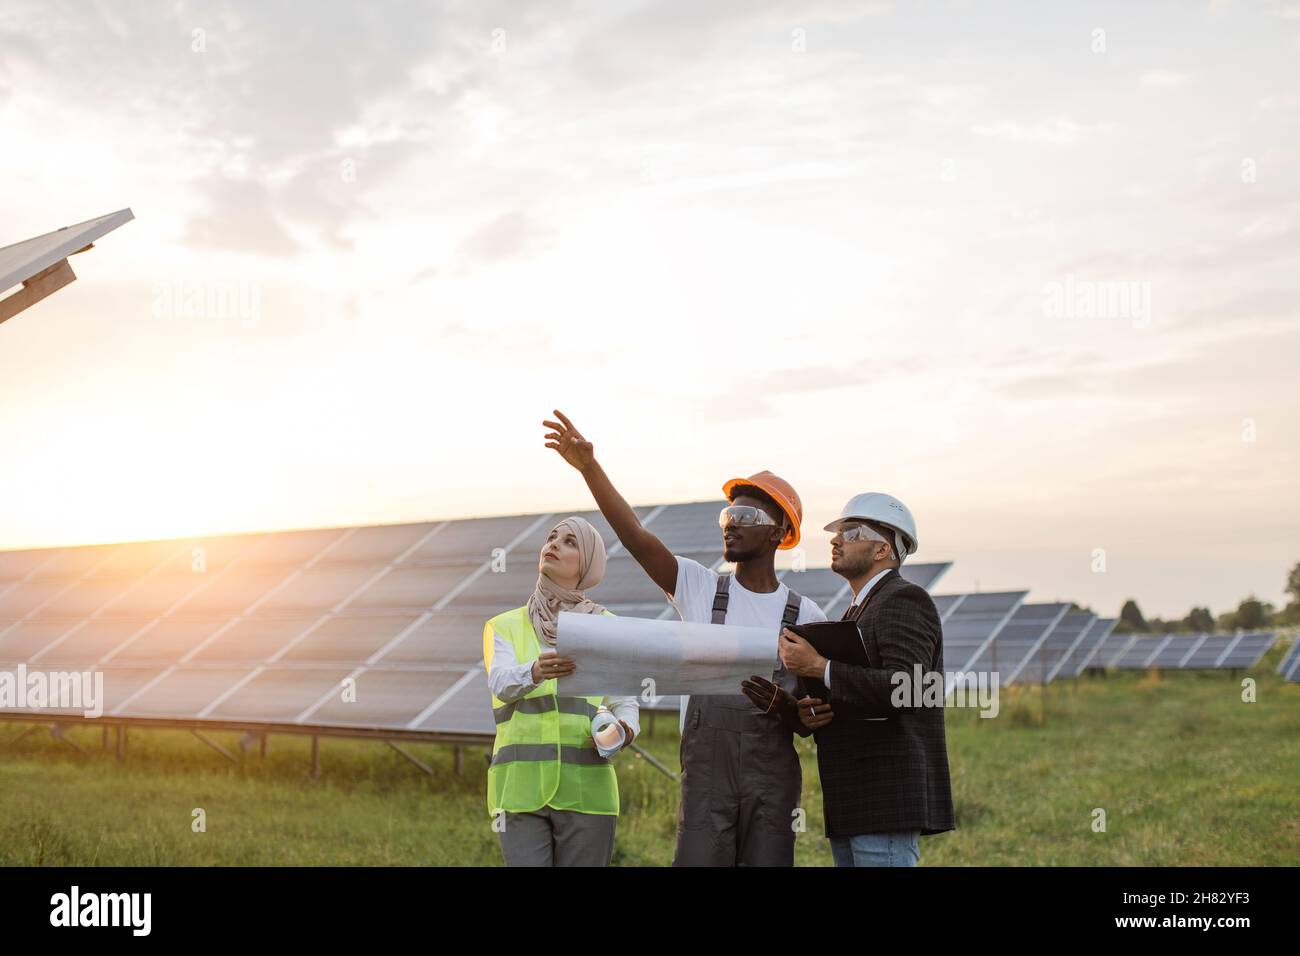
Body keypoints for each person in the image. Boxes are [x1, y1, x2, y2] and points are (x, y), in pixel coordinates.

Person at [543, 410, 827, 867]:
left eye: (746, 515)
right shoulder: (700, 588)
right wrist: (590, 468)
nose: (730, 523)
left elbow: (810, 719)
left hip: (771, 783)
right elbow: (636, 538)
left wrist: (790, 709)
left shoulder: (805, 615)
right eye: (728, 513)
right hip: (707, 779)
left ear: (778, 533)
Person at [776, 492, 955, 867]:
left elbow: (911, 688)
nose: (835, 539)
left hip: (884, 796)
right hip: (854, 797)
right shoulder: (859, 608)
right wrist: (816, 709)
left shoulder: (904, 599)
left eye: (851, 531)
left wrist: (820, 667)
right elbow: (862, 692)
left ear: (881, 549)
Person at [484, 515, 640, 866]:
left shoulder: (607, 627)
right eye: (552, 537)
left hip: (588, 792)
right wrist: (535, 671)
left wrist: (626, 729)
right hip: (519, 791)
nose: (554, 544)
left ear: (588, 564)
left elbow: (625, 700)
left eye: (570, 542)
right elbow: (501, 683)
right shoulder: (504, 626)